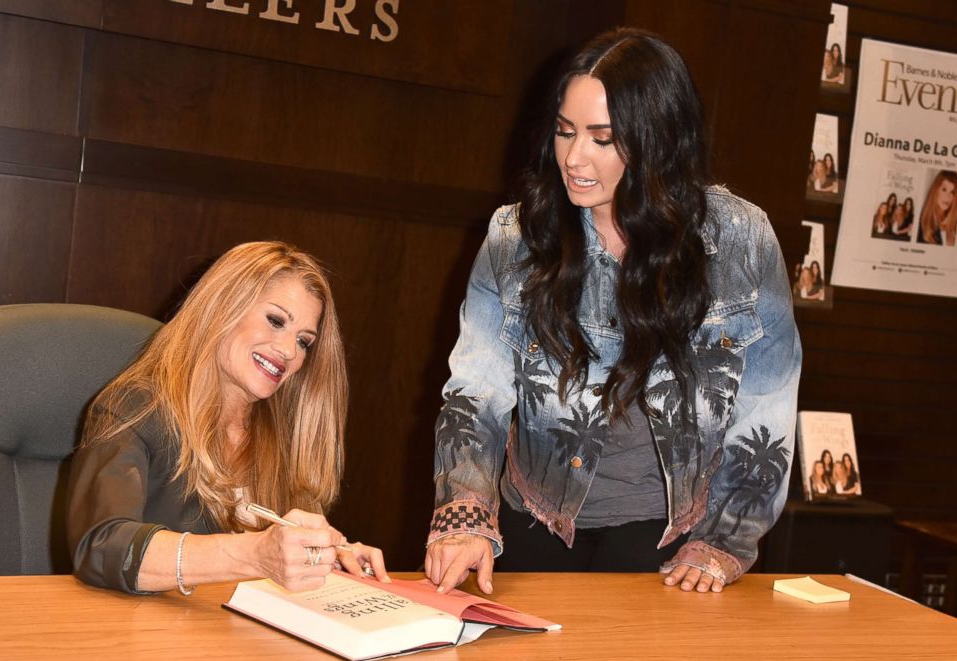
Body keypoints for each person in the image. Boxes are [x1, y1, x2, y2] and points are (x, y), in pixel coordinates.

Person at [424, 28, 801, 596]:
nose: (574, 158)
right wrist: (463, 510)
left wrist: (726, 539)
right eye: (564, 132)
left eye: (603, 139)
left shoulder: (741, 241)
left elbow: (766, 404)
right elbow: (477, 387)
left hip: (670, 534)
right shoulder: (516, 236)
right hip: (532, 517)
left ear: (658, 141)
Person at [68, 241, 390, 595]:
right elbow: (101, 546)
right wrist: (253, 554)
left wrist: (326, 557)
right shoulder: (135, 406)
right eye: (275, 321)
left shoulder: (279, 433)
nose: (288, 351)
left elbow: (274, 559)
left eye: (304, 342)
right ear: (223, 307)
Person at [917, 170, 957, 246]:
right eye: (944, 190)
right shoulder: (922, 225)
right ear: (936, 190)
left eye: (952, 192)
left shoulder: (954, 223)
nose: (948, 196)